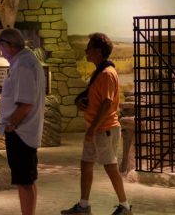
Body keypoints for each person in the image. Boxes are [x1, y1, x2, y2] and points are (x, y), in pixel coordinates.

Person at [63, 33, 131, 215]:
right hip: (97, 128)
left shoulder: (107, 74)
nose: (86, 51)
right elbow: (97, 99)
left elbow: (107, 104)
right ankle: (83, 206)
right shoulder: (100, 72)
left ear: (98, 51)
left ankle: (124, 206)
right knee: (86, 164)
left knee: (110, 166)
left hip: (104, 128)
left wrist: (92, 128)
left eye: (89, 48)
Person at [0, 28, 46, 215]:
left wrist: (12, 125)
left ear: (8, 46)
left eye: (0, 46)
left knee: (24, 181)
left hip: (21, 133)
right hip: (22, 132)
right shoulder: (24, 61)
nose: (0, 51)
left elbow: (25, 103)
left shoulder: (23, 65)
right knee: (26, 181)